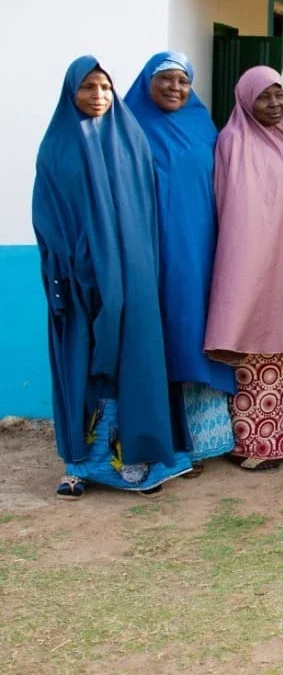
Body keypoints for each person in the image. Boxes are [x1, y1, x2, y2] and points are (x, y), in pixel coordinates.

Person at [34, 57, 192, 499]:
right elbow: (47, 219)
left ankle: (132, 462)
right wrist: (68, 272)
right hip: (78, 281)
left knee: (132, 364)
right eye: (88, 87)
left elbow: (144, 214)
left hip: (133, 278)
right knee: (80, 365)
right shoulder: (56, 147)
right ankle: (77, 466)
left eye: (104, 86)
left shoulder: (131, 140)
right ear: (72, 92)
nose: (98, 95)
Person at [204, 67, 283, 471]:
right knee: (258, 346)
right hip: (254, 266)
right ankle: (256, 445)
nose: (275, 105)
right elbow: (236, 208)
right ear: (245, 100)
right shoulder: (234, 141)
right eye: (265, 97)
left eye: (280, 96)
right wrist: (254, 263)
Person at [123, 51, 237, 475]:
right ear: (146, 83)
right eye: (165, 79)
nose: (175, 87)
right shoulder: (128, 126)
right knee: (159, 338)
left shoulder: (201, 124)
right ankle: (167, 437)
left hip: (201, 250)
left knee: (197, 332)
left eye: (182, 81)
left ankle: (207, 440)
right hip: (147, 252)